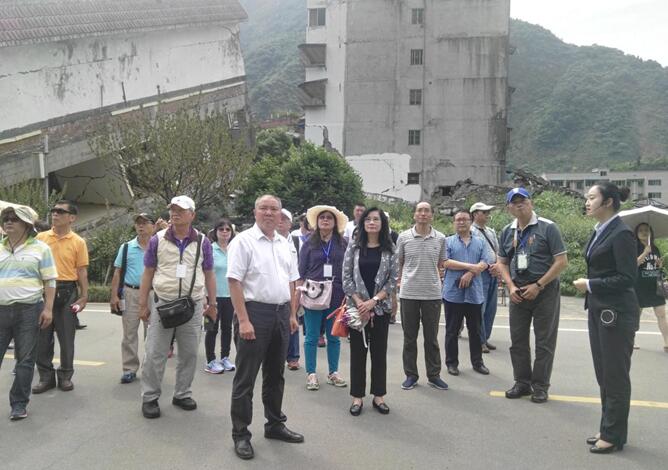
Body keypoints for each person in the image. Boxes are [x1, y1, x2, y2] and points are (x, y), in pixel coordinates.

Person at [227, 194, 303, 460]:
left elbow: (293, 281)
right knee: (246, 378)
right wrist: (244, 320)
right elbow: (234, 281)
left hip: (281, 313)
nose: (269, 213)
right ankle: (241, 434)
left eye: (274, 209)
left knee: (275, 375)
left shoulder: (285, 243)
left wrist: (292, 314)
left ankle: (274, 424)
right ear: (255, 211)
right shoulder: (243, 242)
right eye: (264, 208)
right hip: (254, 314)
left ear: (280, 214)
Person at [573, 182, 638, 453]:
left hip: (616, 312)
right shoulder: (601, 230)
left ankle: (613, 435)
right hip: (600, 309)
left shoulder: (621, 233)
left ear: (608, 202)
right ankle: (609, 427)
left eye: (591, 198)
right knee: (604, 374)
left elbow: (626, 278)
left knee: (615, 375)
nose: (587, 202)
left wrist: (590, 284)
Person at [138, 195, 217, 419]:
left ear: (192, 214)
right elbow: (148, 273)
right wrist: (143, 304)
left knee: (190, 352)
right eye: (173, 209)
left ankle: (182, 393)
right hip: (163, 302)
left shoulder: (203, 242)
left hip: (193, 305)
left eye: (180, 210)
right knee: (155, 352)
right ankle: (150, 397)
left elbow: (209, 274)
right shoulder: (158, 239)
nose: (175, 213)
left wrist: (212, 303)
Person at [497, 188, 568, 404]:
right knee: (518, 341)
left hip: (544, 292)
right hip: (518, 292)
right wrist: (510, 286)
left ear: (531, 203)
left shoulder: (548, 227)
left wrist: (538, 285)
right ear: (509, 207)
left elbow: (561, 261)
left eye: (523, 201)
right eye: (514, 202)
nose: (519, 205)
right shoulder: (507, 232)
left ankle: (540, 386)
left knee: (544, 342)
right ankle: (522, 382)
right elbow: (502, 262)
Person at [0, 205, 57, 420]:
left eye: (14, 219)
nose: (9, 222)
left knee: (24, 360)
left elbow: (50, 281)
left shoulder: (41, 249)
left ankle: (19, 404)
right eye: (6, 218)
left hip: (29, 309)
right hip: (1, 309)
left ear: (27, 225)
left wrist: (48, 309)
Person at [342, 207, 399, 415]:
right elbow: (346, 277)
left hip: (380, 309)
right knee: (358, 353)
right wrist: (359, 302)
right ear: (362, 223)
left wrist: (374, 301)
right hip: (357, 310)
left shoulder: (390, 249)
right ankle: (357, 397)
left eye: (376, 219)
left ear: (382, 223)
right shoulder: (354, 248)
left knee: (379, 353)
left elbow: (393, 281)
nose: (372, 222)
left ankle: (379, 395)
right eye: (368, 219)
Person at [33, 200, 89, 394]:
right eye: (53, 211)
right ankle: (45, 377)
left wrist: (84, 296)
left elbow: (81, 270)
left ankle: (65, 375)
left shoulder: (78, 242)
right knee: (42, 338)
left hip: (67, 292)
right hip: (43, 292)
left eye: (60, 212)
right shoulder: (40, 238)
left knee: (67, 338)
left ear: (71, 218)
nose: (54, 214)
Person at [396, 202, 449, 391]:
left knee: (432, 338)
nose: (423, 213)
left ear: (432, 215)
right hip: (409, 293)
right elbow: (399, 263)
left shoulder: (441, 238)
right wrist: (399, 282)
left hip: (432, 294)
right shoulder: (403, 237)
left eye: (427, 210)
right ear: (414, 215)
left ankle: (434, 375)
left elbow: (442, 263)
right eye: (420, 210)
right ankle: (411, 375)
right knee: (409, 338)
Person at [298, 205, 349, 390]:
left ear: (335, 222)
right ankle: (311, 373)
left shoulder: (343, 244)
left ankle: (333, 372)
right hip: (314, 294)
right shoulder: (309, 244)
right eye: (322, 218)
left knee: (334, 336)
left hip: (336, 294)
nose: (325, 220)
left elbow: (348, 270)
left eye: (329, 217)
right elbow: (301, 273)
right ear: (317, 222)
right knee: (311, 336)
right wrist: (297, 298)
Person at [442, 210, 494, 376]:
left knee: (476, 330)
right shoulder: (447, 241)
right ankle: (452, 363)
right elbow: (445, 262)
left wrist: (470, 273)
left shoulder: (480, 242)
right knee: (451, 330)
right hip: (453, 293)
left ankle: (478, 363)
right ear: (454, 223)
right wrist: (470, 266)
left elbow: (486, 261)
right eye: (458, 220)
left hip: (475, 294)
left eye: (464, 219)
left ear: (470, 221)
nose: (461, 222)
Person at [109, 213, 155, 384]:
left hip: (152, 293)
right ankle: (129, 369)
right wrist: (114, 295)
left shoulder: (158, 246)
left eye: (145, 223)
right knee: (129, 333)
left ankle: (150, 368)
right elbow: (117, 272)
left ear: (153, 226)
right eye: (138, 223)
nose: (141, 226)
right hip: (131, 293)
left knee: (152, 334)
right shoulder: (127, 247)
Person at [204, 218, 236, 374]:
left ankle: (225, 357)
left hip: (230, 296)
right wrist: (206, 297)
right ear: (215, 232)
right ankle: (210, 361)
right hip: (212, 297)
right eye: (221, 229)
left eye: (227, 230)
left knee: (227, 329)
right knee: (211, 329)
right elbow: (203, 273)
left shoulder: (235, 249)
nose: (224, 232)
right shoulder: (209, 249)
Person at [470, 202, 500, 353]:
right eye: (484, 212)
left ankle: (485, 338)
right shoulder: (470, 231)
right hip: (480, 274)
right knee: (480, 308)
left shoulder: (490, 232)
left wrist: (498, 266)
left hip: (493, 273)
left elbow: (498, 251)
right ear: (475, 214)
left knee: (491, 308)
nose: (488, 215)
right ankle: (479, 340)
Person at [633, 223, 668, 351]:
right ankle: (631, 339)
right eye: (640, 230)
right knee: (636, 313)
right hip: (639, 286)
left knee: (661, 314)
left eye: (646, 230)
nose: (644, 232)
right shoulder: (633, 247)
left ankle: (667, 342)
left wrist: (659, 264)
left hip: (654, 286)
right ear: (636, 234)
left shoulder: (655, 248)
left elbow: (656, 266)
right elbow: (632, 264)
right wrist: (644, 253)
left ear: (651, 232)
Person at [278, 209, 301, 370]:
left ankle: (293, 357)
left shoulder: (297, 242)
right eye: (279, 218)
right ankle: (276, 356)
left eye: (284, 219)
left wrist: (299, 291)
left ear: (290, 223)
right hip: (275, 288)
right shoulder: (269, 240)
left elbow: (301, 268)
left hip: (293, 287)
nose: (280, 221)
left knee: (293, 321)